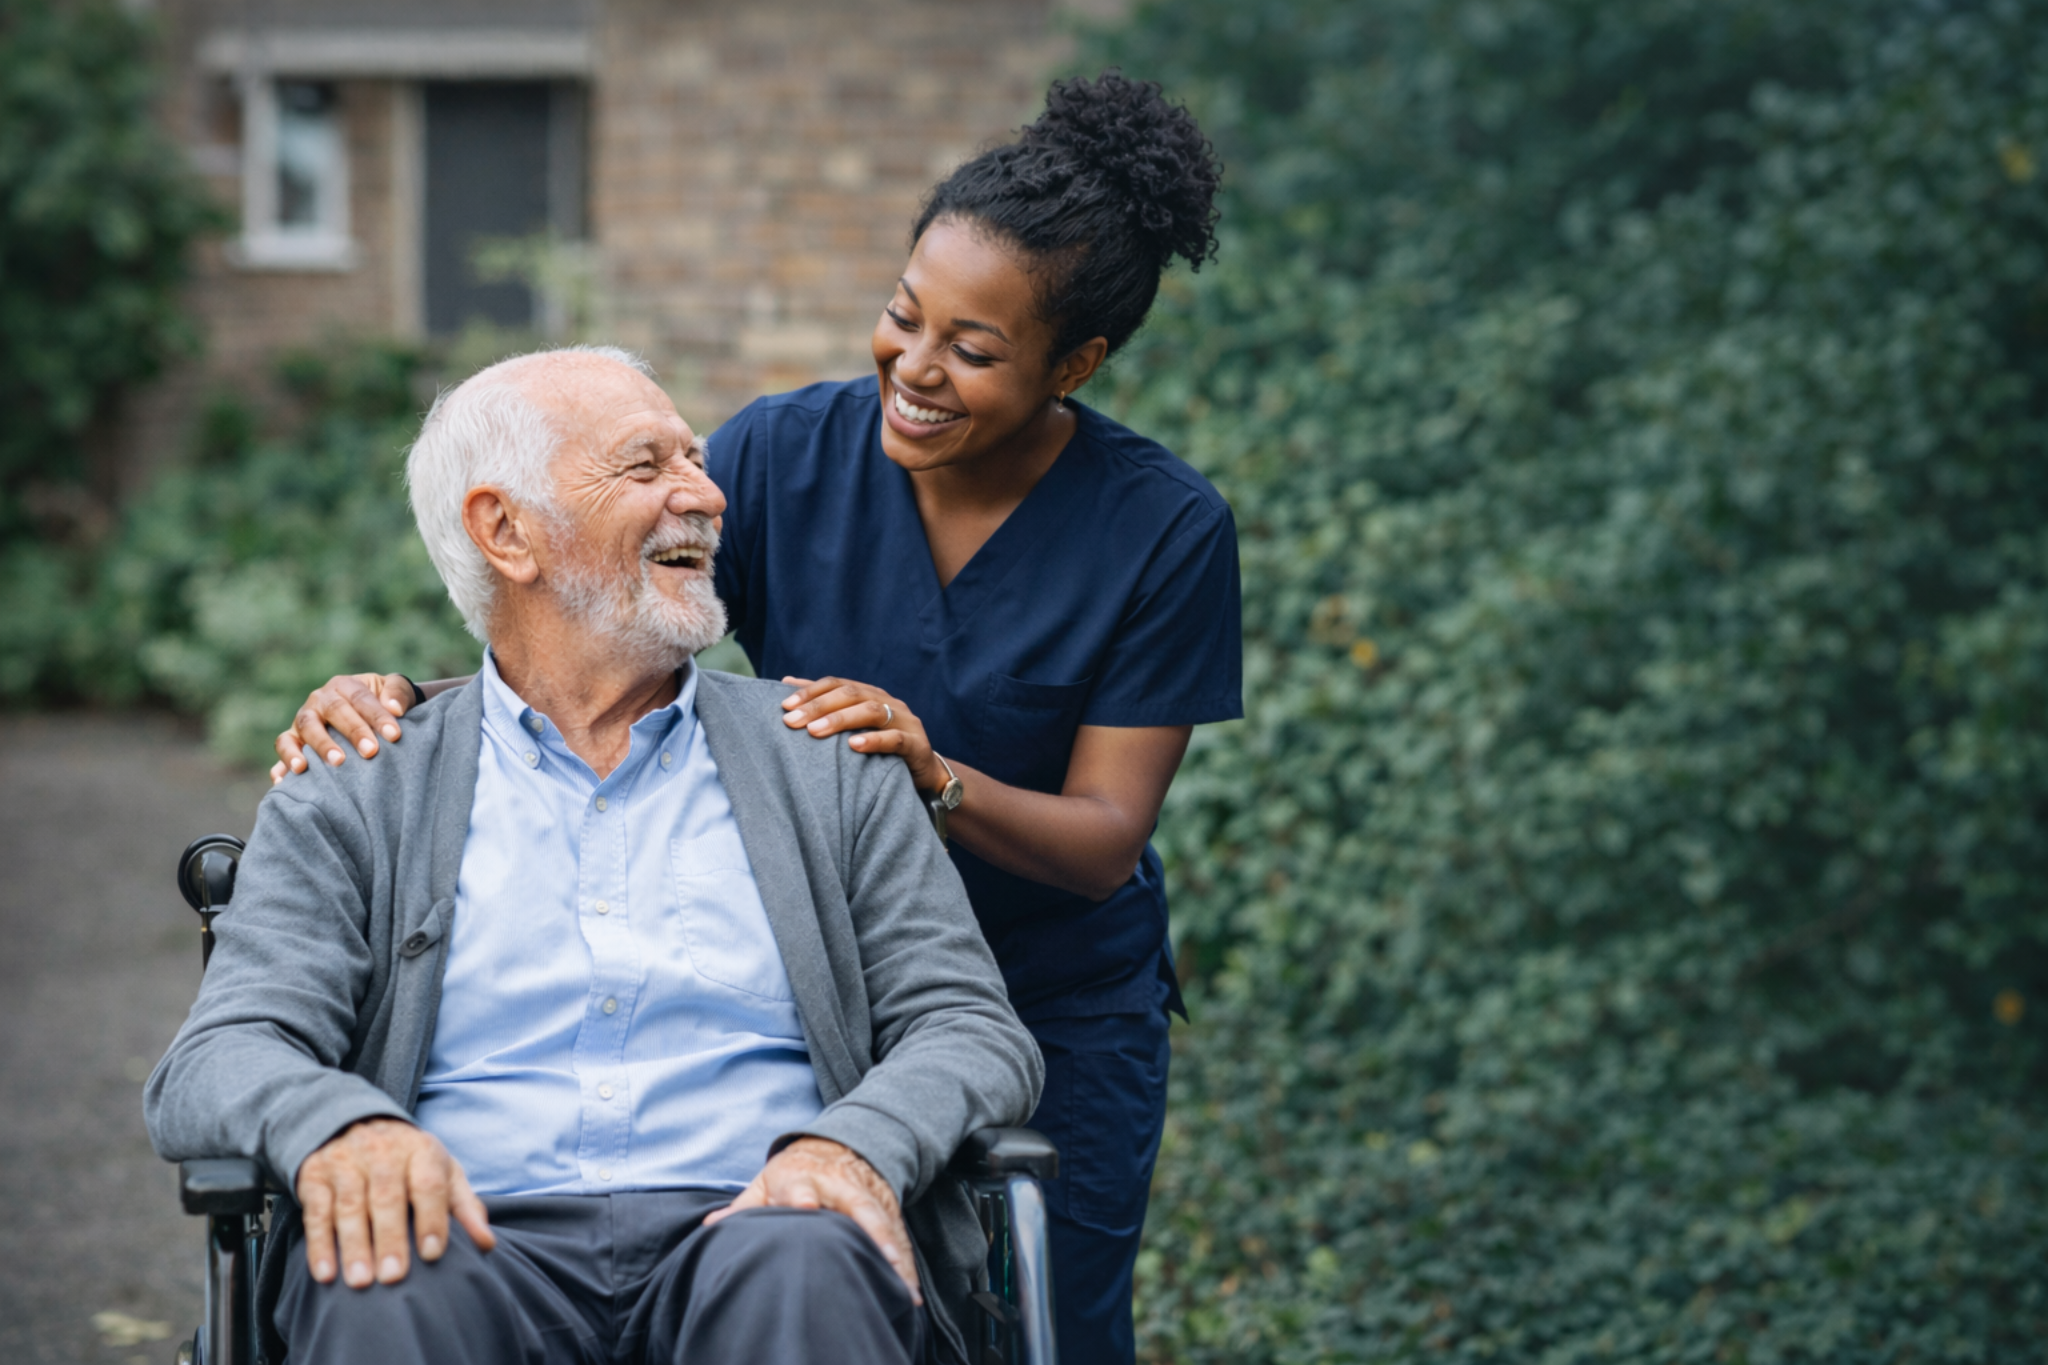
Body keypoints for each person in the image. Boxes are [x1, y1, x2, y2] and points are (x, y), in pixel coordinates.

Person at [272, 71, 1239, 1365]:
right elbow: (606, 608)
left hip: (1051, 992)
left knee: (1045, 1326)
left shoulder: (1162, 529)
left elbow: (1106, 840)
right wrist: (403, 701)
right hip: (820, 966)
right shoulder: (788, 454)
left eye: (973, 350)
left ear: (1075, 365)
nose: (915, 369)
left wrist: (932, 773)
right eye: (904, 315)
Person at [148, 347, 1042, 1365]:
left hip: (762, 1228)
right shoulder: (359, 783)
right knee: (382, 1276)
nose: (705, 494)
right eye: (645, 465)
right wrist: (343, 1129)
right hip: (460, 1233)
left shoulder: (829, 762)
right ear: (505, 531)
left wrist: (855, 1147)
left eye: (695, 460)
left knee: (808, 1268)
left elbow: (970, 1028)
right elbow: (217, 1055)